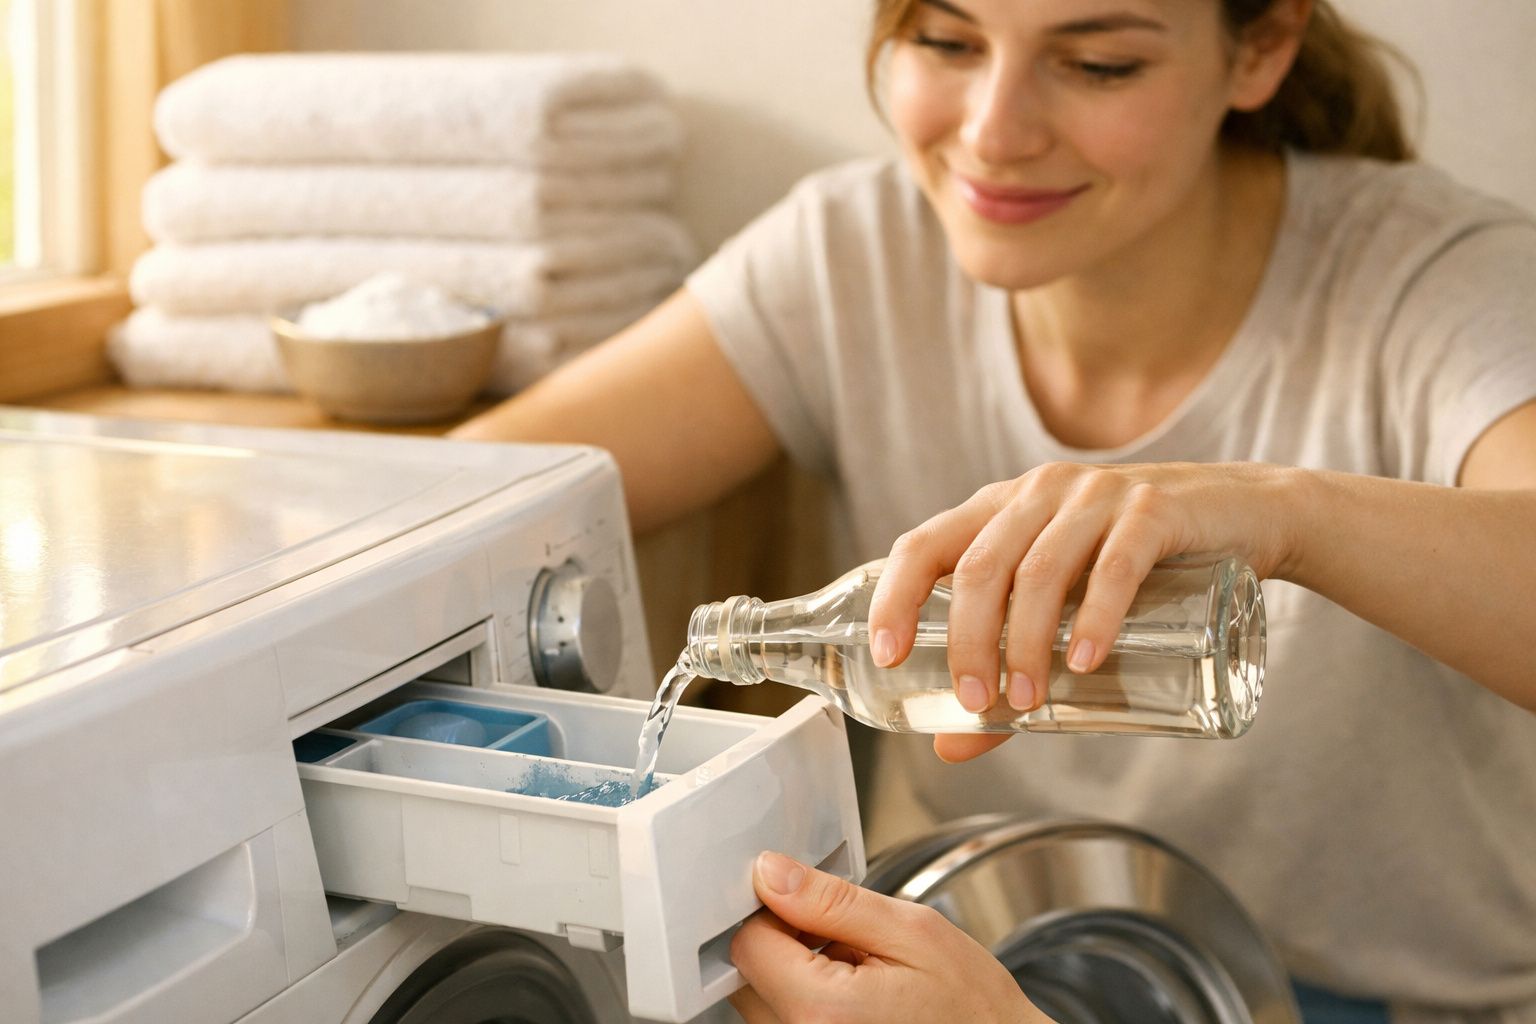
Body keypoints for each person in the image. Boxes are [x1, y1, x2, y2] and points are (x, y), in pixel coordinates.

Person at [453, 0, 1536, 1019]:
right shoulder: (857, 256)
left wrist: (1285, 513)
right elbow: (450, 506)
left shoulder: (1433, 283)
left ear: (1259, 48)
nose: (993, 132)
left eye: (1096, 62)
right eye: (947, 39)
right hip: (1053, 951)